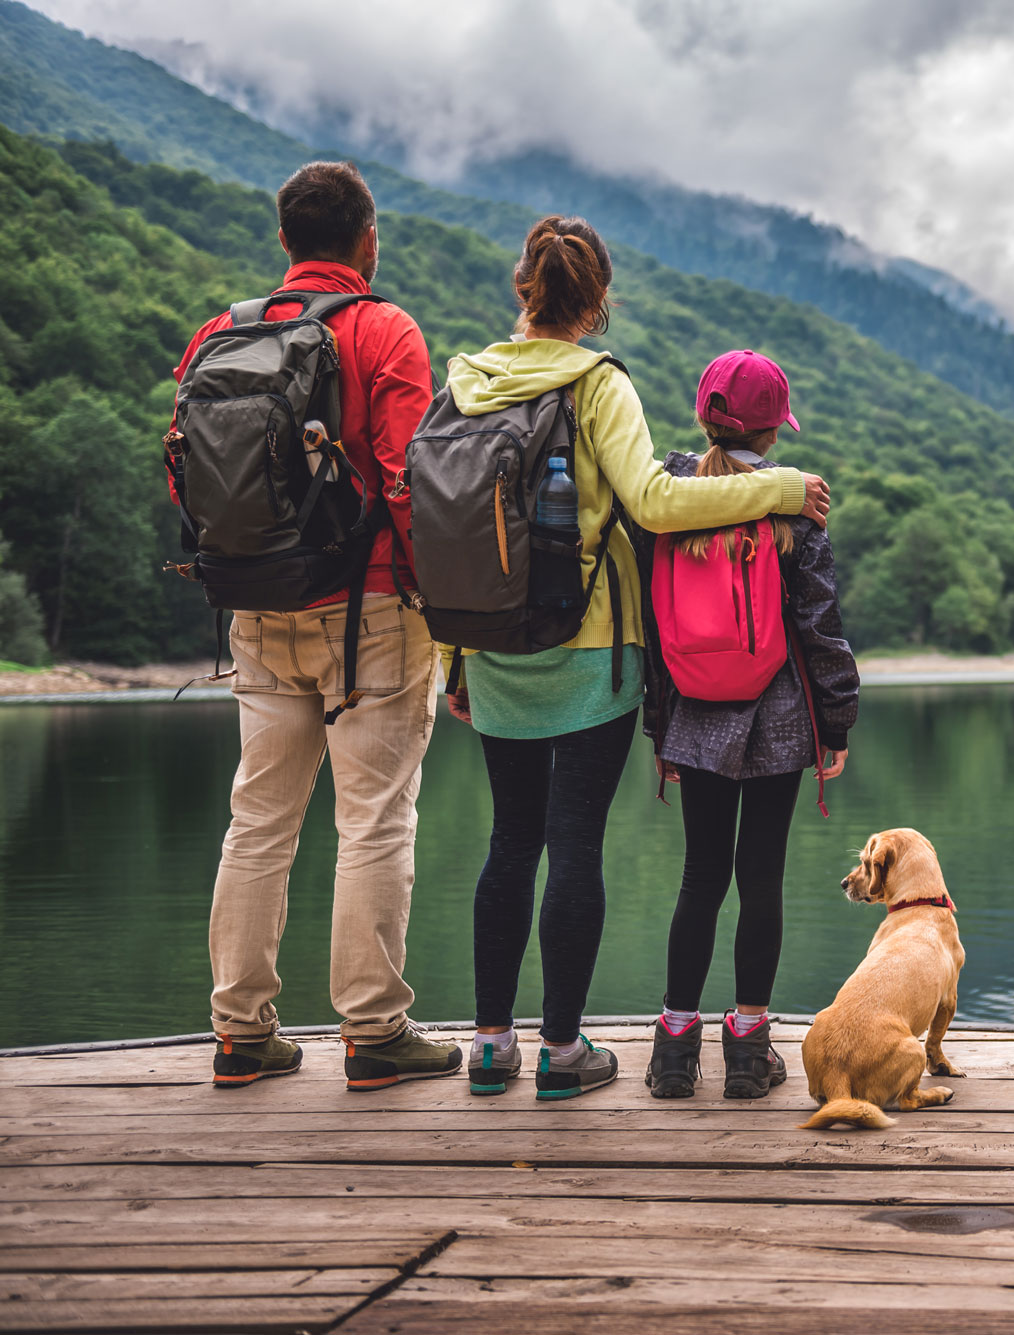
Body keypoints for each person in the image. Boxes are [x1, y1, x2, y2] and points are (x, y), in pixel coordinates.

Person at [447, 219, 832, 1101]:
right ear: (600, 300)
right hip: (588, 651)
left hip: (491, 647)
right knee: (574, 841)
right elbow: (655, 504)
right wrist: (781, 488)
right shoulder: (596, 382)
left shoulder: (468, 380)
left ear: (522, 288)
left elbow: (450, 522)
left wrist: (452, 658)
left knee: (509, 840)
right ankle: (561, 1052)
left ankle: (491, 1046)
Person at [175, 162, 464, 1090]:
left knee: (257, 821)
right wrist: (439, 607)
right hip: (371, 609)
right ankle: (374, 1033)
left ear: (286, 242)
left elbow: (185, 472)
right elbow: (405, 485)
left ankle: (240, 1033)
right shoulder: (384, 328)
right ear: (367, 241)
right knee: (374, 821)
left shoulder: (218, 335)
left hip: (256, 609)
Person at [646, 350, 859, 1102]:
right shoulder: (796, 507)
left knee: (699, 875)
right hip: (776, 716)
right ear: (774, 432)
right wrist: (836, 724)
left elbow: (653, 626)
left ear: (704, 413)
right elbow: (820, 628)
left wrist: (658, 729)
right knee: (759, 875)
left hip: (695, 714)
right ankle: (747, 1049)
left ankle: (673, 1050)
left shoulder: (668, 497)